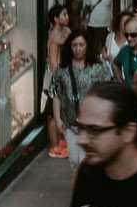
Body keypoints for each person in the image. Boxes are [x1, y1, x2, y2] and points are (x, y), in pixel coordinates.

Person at [49, 28, 114, 165]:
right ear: (70, 47)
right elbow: (56, 94)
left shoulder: (98, 67)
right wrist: (57, 118)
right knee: (74, 159)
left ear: (87, 46)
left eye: (81, 45)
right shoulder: (62, 70)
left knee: (86, 160)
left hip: (93, 123)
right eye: (74, 45)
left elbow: (108, 92)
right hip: (70, 123)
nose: (78, 49)